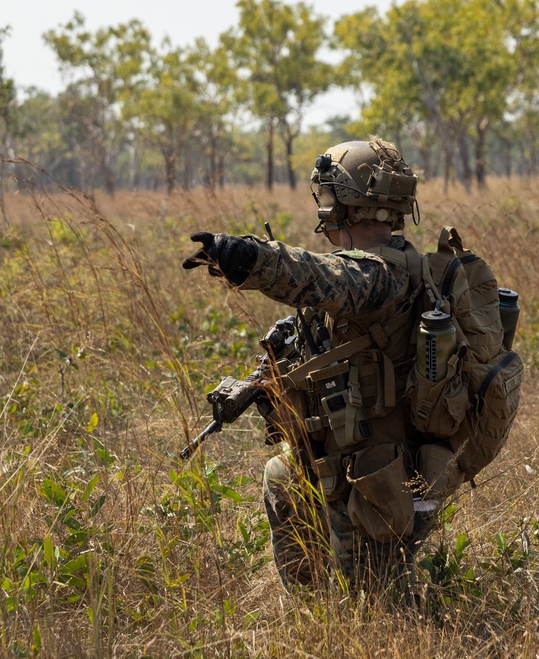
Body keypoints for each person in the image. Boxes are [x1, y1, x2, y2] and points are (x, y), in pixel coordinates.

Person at [183, 138, 465, 602]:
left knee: (374, 612)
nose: (323, 207)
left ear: (347, 205)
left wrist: (250, 258)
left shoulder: (384, 274)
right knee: (281, 476)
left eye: (328, 195)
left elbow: (323, 277)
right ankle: (313, 619)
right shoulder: (364, 270)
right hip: (334, 458)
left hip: (376, 475)